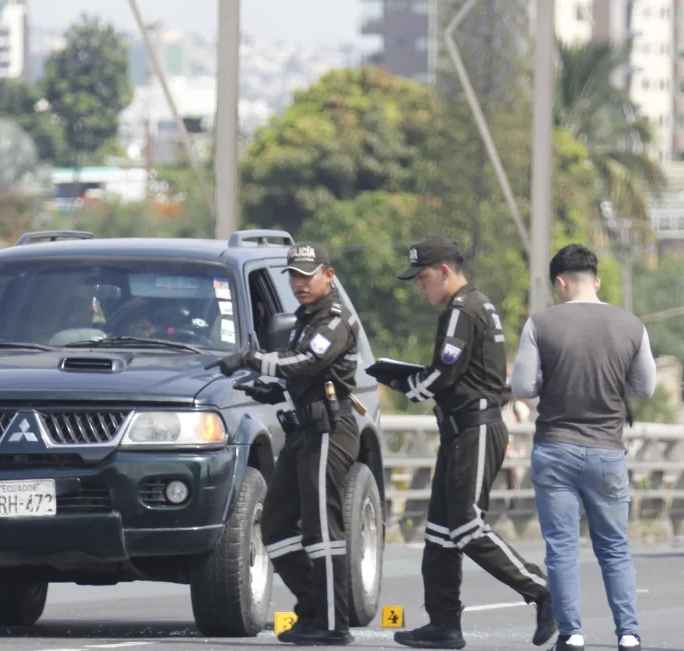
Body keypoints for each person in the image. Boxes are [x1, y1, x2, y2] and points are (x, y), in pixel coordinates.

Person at [374, 235, 556, 650]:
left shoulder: (461, 309)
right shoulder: (476, 304)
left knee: (467, 526)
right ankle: (444, 624)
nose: (420, 287)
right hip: (462, 430)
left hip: (475, 427)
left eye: (422, 278)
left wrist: (407, 385)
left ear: (444, 271)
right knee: (439, 534)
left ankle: (543, 592)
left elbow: (445, 372)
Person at [208, 241, 360, 646]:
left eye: (307, 275)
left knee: (323, 529)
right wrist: (269, 389)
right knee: (275, 525)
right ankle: (312, 609)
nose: (299, 283)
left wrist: (251, 359)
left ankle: (332, 624)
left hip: (329, 428)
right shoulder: (303, 317)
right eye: (293, 275)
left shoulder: (335, 319)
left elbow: (310, 361)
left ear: (328, 275)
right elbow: (297, 371)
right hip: (302, 428)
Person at [509, 244, 655, 651]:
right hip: (608, 451)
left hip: (555, 448)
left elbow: (523, 387)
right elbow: (646, 387)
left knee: (561, 547)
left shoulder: (541, 324)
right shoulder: (631, 325)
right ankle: (628, 633)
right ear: (597, 279)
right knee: (614, 547)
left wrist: (550, 383)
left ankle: (571, 634)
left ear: (560, 282)